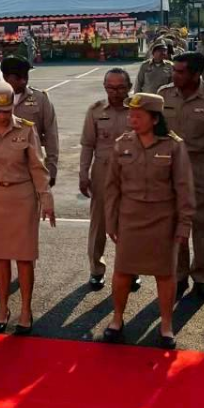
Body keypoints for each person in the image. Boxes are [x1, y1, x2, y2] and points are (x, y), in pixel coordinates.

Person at [103, 93, 196, 349]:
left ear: (155, 119)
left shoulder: (173, 146)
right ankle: (117, 318)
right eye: (131, 115)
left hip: (163, 220)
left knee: (165, 275)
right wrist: (110, 222)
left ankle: (166, 325)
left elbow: (184, 189)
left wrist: (184, 225)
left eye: (138, 115)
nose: (132, 119)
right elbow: (112, 188)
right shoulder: (122, 144)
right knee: (122, 271)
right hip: (130, 218)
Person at [0, 81, 55, 334]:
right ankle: (3, 307)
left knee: (25, 257)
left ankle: (26, 309)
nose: (2, 117)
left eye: (7, 111)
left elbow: (37, 168)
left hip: (22, 199)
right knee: (0, 257)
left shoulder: (26, 130)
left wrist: (47, 200)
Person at [159, 52, 204, 301]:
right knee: (173, 223)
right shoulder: (164, 94)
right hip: (169, 167)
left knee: (202, 224)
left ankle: (202, 277)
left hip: (201, 167)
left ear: (196, 74)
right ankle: (178, 275)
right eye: (174, 70)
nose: (175, 75)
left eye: (180, 72)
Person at [0, 55, 58, 284]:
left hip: (29, 174)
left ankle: (25, 267)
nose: (24, 81)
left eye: (25, 76)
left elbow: (51, 134)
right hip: (1, 172)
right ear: (7, 77)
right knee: (0, 228)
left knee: (25, 229)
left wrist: (51, 168)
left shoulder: (40, 99)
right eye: (18, 77)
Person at [78, 68, 136, 290]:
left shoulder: (138, 109)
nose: (115, 92)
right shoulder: (95, 111)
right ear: (104, 87)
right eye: (110, 87)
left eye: (121, 87)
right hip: (102, 171)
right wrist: (83, 173)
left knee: (130, 223)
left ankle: (131, 269)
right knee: (99, 221)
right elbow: (87, 145)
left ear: (129, 87)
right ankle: (96, 269)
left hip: (132, 171)